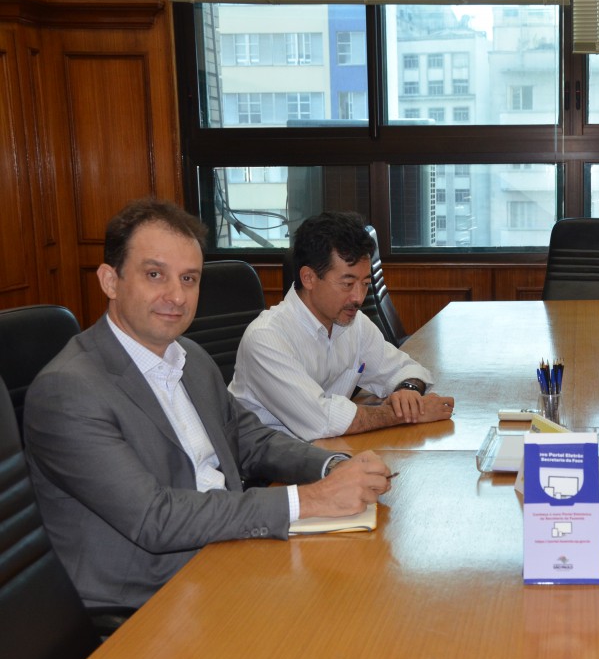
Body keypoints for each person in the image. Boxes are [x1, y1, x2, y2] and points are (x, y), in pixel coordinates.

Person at [23, 198, 392, 610]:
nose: (176, 296)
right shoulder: (67, 391)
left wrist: (331, 466)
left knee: (367, 593)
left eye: (188, 279)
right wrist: (311, 500)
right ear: (110, 280)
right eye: (154, 274)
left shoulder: (190, 357)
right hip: (151, 597)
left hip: (227, 551)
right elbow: (154, 518)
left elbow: (251, 440)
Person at [229, 211, 454, 442]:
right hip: (265, 469)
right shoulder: (267, 337)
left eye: (365, 283)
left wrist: (408, 391)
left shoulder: (352, 323)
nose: (358, 297)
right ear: (308, 278)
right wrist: (406, 414)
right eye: (347, 284)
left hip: (324, 451)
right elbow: (322, 420)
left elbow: (406, 369)